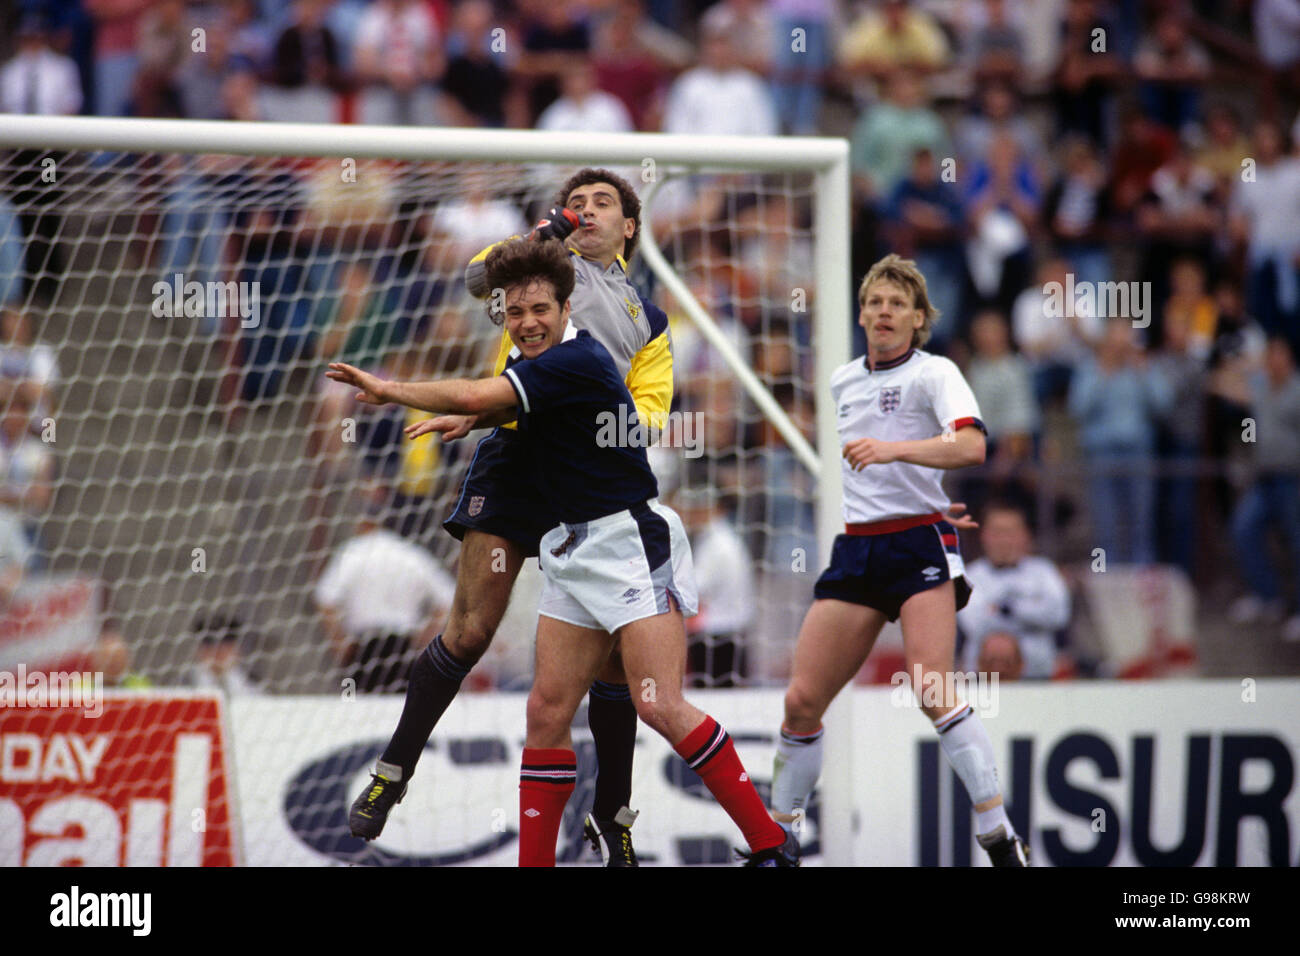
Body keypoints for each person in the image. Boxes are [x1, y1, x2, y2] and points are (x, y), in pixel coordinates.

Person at [327, 239, 797, 866]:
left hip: (629, 542)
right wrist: (477, 416)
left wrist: (390, 389)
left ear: (566, 305)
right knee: (546, 712)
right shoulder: (541, 368)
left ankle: (769, 844)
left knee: (656, 700)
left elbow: (477, 393)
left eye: (540, 309)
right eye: (515, 313)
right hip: (570, 548)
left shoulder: (579, 358)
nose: (527, 323)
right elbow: (497, 404)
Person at [342, 169, 673, 867]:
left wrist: (571, 413)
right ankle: (391, 774)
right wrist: (536, 237)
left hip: (587, 482)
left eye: (602, 203)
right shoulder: (541, 267)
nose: (585, 210)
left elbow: (649, 416)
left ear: (630, 227)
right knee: (467, 632)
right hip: (516, 464)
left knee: (614, 669)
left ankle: (613, 819)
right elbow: (471, 281)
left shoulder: (650, 320)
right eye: (575, 201)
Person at [768, 253, 1031, 866]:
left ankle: (995, 829)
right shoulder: (841, 380)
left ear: (918, 319)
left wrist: (895, 454)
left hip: (918, 543)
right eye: (874, 302)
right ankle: (781, 838)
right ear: (861, 315)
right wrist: (919, 486)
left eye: (897, 304)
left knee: (931, 684)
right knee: (802, 701)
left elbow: (971, 444)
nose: (883, 311)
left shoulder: (935, 373)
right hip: (858, 547)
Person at [315, 505, 456, 692]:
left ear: (365, 523)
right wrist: (427, 637)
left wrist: (339, 643)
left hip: (364, 650)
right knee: (402, 711)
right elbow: (448, 597)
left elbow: (325, 598)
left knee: (356, 709)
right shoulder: (411, 554)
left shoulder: (353, 552)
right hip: (404, 649)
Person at [957, 502, 1071, 680]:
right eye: (997, 532)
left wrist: (1005, 609)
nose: (1004, 539)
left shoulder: (1044, 571)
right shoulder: (968, 575)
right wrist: (1032, 613)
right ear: (984, 536)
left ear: (1026, 535)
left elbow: (1058, 615)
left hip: (1037, 675)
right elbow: (975, 624)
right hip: (982, 679)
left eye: (1011, 532)